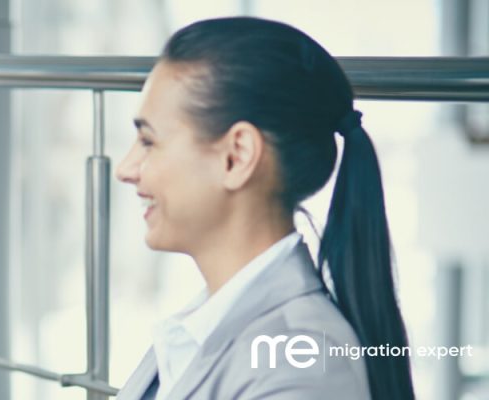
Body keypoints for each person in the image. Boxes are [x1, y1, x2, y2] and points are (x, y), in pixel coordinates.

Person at [114, 17, 413, 400]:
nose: (125, 169)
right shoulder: (201, 331)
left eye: (148, 141)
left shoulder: (301, 368)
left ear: (237, 156)